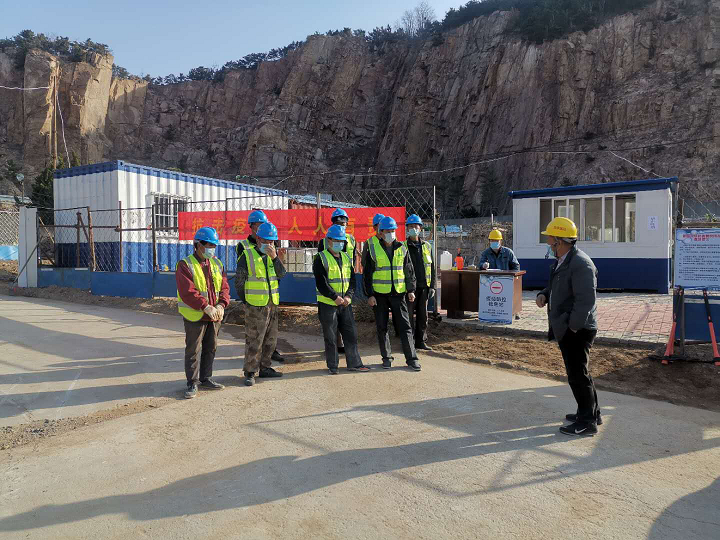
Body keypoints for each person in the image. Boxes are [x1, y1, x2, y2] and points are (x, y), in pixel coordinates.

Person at [535, 217, 601, 436]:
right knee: (580, 372)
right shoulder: (563, 260)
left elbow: (586, 301)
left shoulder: (581, 264)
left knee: (577, 375)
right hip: (569, 326)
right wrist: (545, 294)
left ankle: (587, 422)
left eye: (550, 240)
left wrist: (572, 327)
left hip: (577, 329)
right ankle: (591, 413)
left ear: (560, 242)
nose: (548, 244)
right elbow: (557, 286)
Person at [176, 227, 230, 399]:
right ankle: (192, 382)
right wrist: (205, 306)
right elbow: (187, 291)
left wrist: (221, 304)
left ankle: (206, 378)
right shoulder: (185, 265)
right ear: (198, 245)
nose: (212, 249)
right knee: (193, 349)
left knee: (211, 347)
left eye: (214, 245)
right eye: (209, 245)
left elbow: (224, 287)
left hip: (215, 315)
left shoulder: (217, 264)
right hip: (196, 314)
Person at [362, 216, 421, 371]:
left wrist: (411, 290)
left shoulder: (402, 248)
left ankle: (412, 359)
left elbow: (409, 271)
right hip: (379, 295)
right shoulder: (373, 249)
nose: (391, 234)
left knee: (405, 327)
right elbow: (367, 274)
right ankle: (386, 358)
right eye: (387, 231)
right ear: (381, 232)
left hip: (399, 294)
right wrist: (370, 294)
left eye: (393, 230)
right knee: (382, 328)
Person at [314, 225, 370, 374]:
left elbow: (352, 280)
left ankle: (355, 363)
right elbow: (321, 283)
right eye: (336, 240)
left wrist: (348, 296)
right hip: (328, 304)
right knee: (331, 336)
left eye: (341, 241)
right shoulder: (320, 258)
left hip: (345, 304)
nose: (339, 243)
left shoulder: (346, 257)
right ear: (329, 240)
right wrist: (335, 297)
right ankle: (333, 366)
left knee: (351, 334)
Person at [235, 222, 285, 386]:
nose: (269, 244)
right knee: (254, 340)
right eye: (266, 241)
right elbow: (239, 282)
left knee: (271, 339)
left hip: (272, 304)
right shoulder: (247, 256)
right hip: (255, 306)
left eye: (272, 241)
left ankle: (265, 368)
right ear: (258, 239)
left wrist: (275, 258)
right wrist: (247, 302)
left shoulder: (273, 256)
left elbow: (282, 274)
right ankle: (250, 372)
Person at [317, 208, 357, 353]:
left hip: (346, 282)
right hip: (331, 285)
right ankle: (336, 346)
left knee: (345, 319)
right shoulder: (324, 241)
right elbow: (321, 263)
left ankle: (345, 346)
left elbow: (353, 259)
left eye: (343, 223)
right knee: (331, 321)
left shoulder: (351, 239)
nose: (341, 225)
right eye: (338, 223)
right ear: (332, 223)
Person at [404, 214, 436, 351]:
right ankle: (409, 342)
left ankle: (421, 341)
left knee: (423, 316)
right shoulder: (402, 247)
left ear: (421, 228)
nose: (413, 229)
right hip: (408, 288)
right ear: (407, 229)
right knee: (408, 316)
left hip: (424, 287)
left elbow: (432, 267)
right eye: (410, 226)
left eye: (416, 226)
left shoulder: (427, 246)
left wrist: (432, 286)